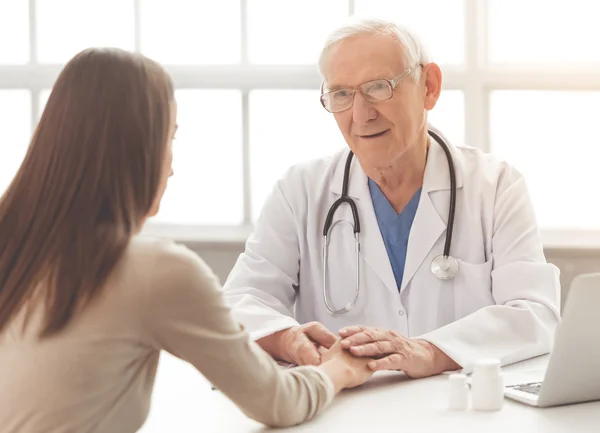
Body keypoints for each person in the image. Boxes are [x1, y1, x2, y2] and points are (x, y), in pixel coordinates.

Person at [0, 48, 373, 433]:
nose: (172, 166)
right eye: (169, 137)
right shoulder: (153, 270)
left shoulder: (15, 245)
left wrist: (280, 339)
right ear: (138, 148)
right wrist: (339, 369)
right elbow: (277, 402)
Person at [222, 18, 561, 378]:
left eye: (378, 88)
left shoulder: (495, 187)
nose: (361, 115)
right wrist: (289, 339)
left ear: (429, 87)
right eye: (341, 94)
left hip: (461, 413)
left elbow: (535, 315)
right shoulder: (301, 191)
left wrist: (428, 352)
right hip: (342, 411)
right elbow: (238, 303)